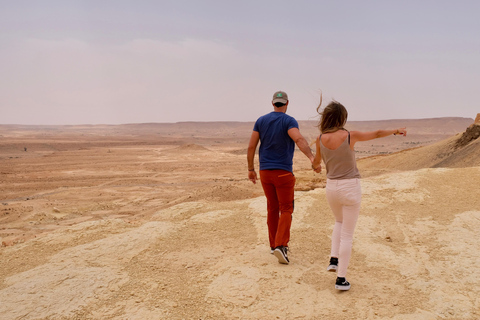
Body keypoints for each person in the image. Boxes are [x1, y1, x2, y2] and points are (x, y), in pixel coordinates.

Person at [312, 99, 407, 290]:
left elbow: (315, 164)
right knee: (347, 234)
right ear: (342, 118)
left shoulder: (320, 139)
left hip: (331, 187)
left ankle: (333, 259)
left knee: (338, 222)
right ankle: (341, 279)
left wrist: (317, 166)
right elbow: (378, 133)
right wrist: (396, 130)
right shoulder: (349, 136)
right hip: (350, 187)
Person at [247, 91, 315, 264]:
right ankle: (281, 246)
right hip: (283, 172)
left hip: (265, 172)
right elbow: (298, 139)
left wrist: (251, 169)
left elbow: (251, 147)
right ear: (287, 103)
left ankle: (273, 245)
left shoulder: (261, 121)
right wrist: (312, 158)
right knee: (286, 209)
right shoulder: (288, 121)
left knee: (272, 207)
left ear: (272, 103)